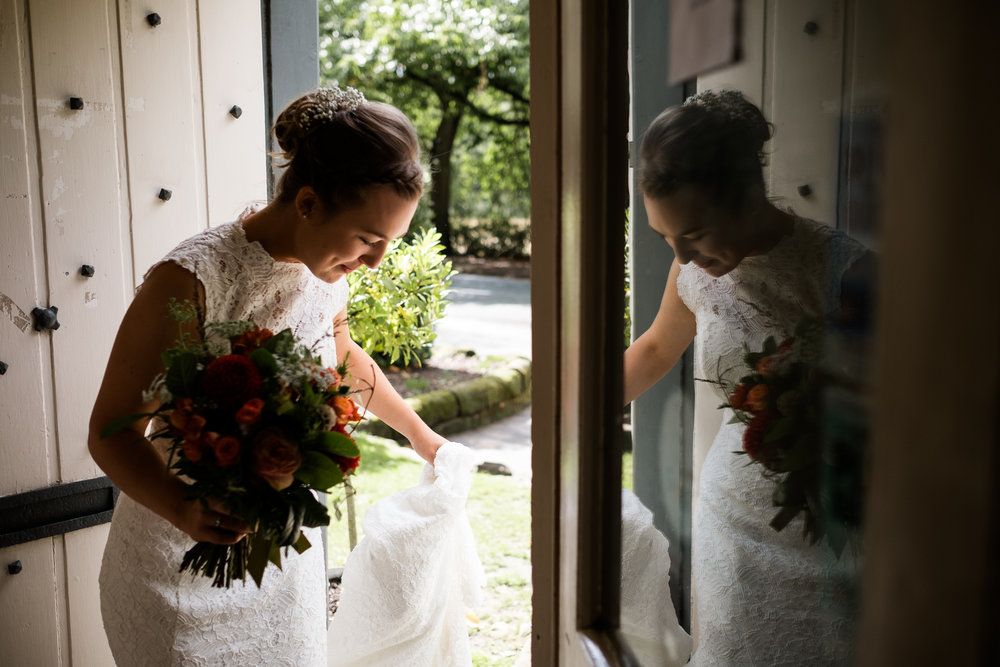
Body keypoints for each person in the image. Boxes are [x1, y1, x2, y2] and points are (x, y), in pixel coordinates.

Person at [89, 87, 448, 666]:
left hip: (281, 573)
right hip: (175, 562)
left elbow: (344, 355)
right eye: (367, 238)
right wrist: (183, 508)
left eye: (390, 242)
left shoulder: (329, 271)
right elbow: (110, 429)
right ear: (307, 203)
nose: (377, 259)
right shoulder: (190, 279)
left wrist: (420, 435)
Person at [624, 90, 873, 665]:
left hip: (831, 528)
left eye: (695, 233)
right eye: (666, 239)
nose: (683, 256)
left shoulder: (843, 270)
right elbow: (657, 349)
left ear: (746, 195)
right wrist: (572, 413)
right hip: (731, 521)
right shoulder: (693, 272)